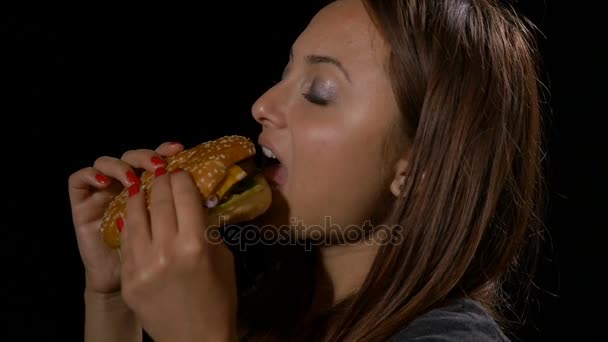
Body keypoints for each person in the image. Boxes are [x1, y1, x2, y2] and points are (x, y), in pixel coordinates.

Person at [67, 0, 546, 341]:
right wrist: (113, 301)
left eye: (318, 91)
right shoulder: (269, 311)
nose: (262, 105)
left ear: (419, 167)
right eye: (285, 73)